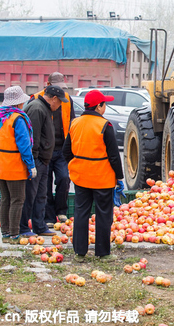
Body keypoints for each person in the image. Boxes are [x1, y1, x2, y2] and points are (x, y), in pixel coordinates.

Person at [63, 90, 124, 262]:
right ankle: (103, 253)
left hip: (81, 176)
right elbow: (113, 156)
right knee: (104, 214)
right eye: (104, 104)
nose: (106, 107)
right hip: (102, 178)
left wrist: (76, 163)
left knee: (81, 212)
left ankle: (80, 253)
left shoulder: (75, 123)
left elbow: (66, 151)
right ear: (98, 106)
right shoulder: (105, 125)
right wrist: (119, 177)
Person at [0, 86, 36, 244]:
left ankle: (5, 233)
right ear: (18, 103)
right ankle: (15, 235)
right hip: (14, 165)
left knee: (5, 199)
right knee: (17, 199)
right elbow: (24, 146)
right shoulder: (18, 118)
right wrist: (31, 165)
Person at [19, 86, 67, 238]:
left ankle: (39, 225)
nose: (60, 106)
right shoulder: (37, 109)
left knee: (41, 195)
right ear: (53, 98)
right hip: (37, 160)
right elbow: (33, 138)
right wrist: (33, 161)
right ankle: (23, 227)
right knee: (29, 194)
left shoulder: (45, 108)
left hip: (44, 160)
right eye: (59, 102)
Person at [32, 72, 75, 226]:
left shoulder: (67, 99)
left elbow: (72, 123)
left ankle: (61, 211)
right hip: (45, 150)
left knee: (64, 178)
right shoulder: (36, 99)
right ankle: (49, 217)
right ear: (48, 85)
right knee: (46, 183)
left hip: (61, 149)